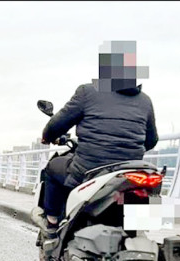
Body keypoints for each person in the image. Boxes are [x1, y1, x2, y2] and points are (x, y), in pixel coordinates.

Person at [37, 40, 158, 244]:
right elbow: (151, 140)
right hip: (129, 172)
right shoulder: (145, 100)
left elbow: (57, 124)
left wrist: (47, 136)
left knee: (51, 168)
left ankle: (51, 223)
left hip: (89, 169)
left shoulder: (87, 92)